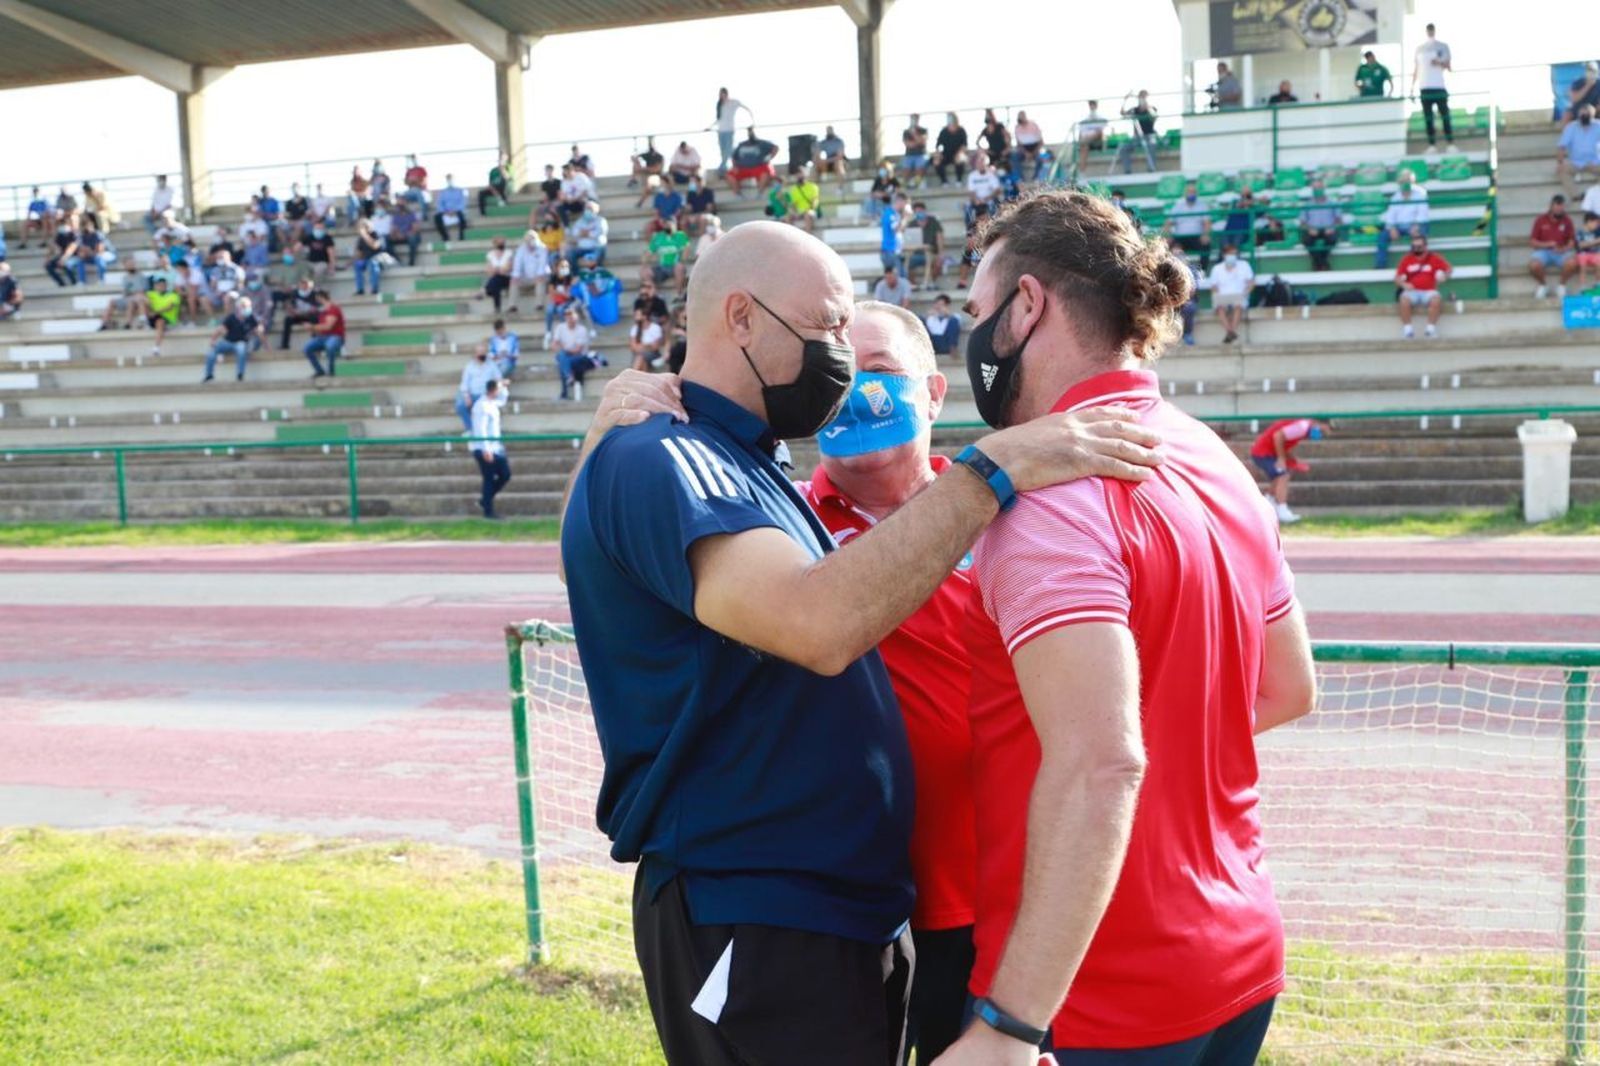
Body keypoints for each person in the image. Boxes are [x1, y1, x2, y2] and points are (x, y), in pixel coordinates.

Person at [557, 218, 1161, 1066]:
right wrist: (995, 468)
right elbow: (817, 623)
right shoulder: (662, 454)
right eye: (830, 326)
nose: (840, 353)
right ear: (742, 317)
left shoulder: (746, 462)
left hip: (845, 909)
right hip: (759, 908)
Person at [942, 188, 1316, 1066]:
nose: (969, 338)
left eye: (976, 311)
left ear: (1026, 306)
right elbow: (1289, 687)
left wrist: (1008, 1028)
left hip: (1097, 993)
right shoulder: (1214, 458)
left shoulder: (1048, 496)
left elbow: (1102, 764)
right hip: (1238, 951)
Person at [1251, 418, 1330, 524]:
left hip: (1266, 452)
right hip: (1263, 453)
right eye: (1323, 430)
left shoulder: (1303, 429)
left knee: (1279, 476)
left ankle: (1267, 502)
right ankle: (1282, 509)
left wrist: (1292, 460)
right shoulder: (1302, 427)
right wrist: (1281, 458)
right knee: (1283, 475)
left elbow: (1284, 443)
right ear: (1317, 423)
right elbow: (1278, 436)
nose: (1321, 434)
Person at [468, 376, 512, 518]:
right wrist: (486, 449)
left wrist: (504, 386)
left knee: (505, 474)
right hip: (485, 448)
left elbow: (503, 400)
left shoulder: (492, 402)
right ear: (493, 390)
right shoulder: (482, 406)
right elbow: (481, 429)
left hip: (495, 447)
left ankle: (485, 501)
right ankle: (488, 511)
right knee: (489, 478)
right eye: (498, 388)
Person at [1395, 234, 1452, 339]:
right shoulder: (1406, 259)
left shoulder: (1434, 258)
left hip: (1429, 291)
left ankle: (1430, 330)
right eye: (1414, 247)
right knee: (1403, 300)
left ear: (1425, 246)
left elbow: (1448, 269)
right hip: (1412, 292)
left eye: (1419, 246)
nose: (1416, 249)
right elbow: (1397, 278)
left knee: (1436, 299)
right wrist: (1404, 284)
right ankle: (1408, 330)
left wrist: (1445, 276)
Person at [1412, 22, 1454, 152]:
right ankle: (1431, 145)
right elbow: (1416, 69)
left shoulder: (1443, 46)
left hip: (1439, 86)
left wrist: (1439, 62)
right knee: (1428, 118)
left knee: (1445, 115)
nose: (1430, 31)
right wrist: (1411, 87)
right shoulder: (1419, 49)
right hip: (1425, 87)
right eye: (1428, 29)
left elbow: (1449, 67)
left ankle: (1450, 143)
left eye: (1432, 29)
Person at [1375, 172, 1430, 269]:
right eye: (1403, 181)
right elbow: (1391, 215)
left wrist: (1416, 225)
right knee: (1382, 236)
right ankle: (1380, 266)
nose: (1406, 184)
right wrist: (1392, 228)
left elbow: (1423, 214)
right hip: (1399, 227)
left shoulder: (1420, 195)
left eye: (1408, 181)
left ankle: (1417, 265)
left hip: (1416, 225)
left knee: (1420, 235)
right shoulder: (1395, 197)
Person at [1529, 193, 1579, 299]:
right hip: (1544, 251)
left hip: (1562, 251)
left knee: (1573, 263)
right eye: (1557, 206)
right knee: (1533, 265)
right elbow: (1532, 242)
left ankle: (1561, 286)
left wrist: (1564, 249)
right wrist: (1548, 244)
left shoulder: (1567, 220)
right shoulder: (1540, 220)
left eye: (1561, 206)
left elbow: (1572, 241)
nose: (1559, 209)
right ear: (1551, 206)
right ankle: (1543, 285)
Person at [204, 296, 264, 383]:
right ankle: (209, 375)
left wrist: (267, 347)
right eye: (245, 306)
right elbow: (220, 330)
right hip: (227, 342)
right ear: (239, 307)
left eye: (249, 306)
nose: (248, 308)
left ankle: (240, 374)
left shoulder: (251, 318)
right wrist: (212, 341)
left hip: (241, 343)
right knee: (211, 352)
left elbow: (259, 332)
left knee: (241, 348)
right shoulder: (231, 317)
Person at [1208, 242, 1254, 344]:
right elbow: (1213, 286)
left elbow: (1251, 282)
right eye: (1230, 254)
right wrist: (1218, 294)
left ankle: (1230, 332)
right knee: (1220, 306)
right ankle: (1231, 332)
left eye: (1234, 254)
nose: (1232, 256)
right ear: (1224, 255)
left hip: (1240, 295)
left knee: (1238, 305)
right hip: (1223, 296)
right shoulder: (1217, 268)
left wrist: (1245, 293)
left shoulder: (1244, 265)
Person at [551, 305, 599, 400]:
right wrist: (563, 349)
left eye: (571, 315)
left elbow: (578, 350)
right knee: (563, 358)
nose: (569, 317)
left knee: (563, 361)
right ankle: (569, 377)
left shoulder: (582, 330)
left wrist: (563, 347)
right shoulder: (560, 327)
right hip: (565, 356)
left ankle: (564, 392)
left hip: (580, 357)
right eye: (567, 315)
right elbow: (553, 345)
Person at [1162, 181, 1212, 272]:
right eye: (1189, 192)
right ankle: (1180, 271)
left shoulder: (1202, 205)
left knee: (1206, 244)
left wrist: (1206, 234)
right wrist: (1167, 235)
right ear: (1185, 193)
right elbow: (1168, 223)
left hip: (1197, 237)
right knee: (1173, 248)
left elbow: (1207, 223)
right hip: (1181, 237)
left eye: (1193, 192)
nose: (1191, 194)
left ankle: (1202, 271)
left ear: (1196, 193)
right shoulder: (1178, 206)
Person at [455, 343, 502, 430]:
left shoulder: (492, 365)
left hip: (486, 395)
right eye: (479, 352)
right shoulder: (469, 366)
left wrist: (494, 392)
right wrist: (467, 396)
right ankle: (471, 430)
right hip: (472, 394)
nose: (482, 354)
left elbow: (499, 379)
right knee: (460, 406)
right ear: (475, 354)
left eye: (483, 352)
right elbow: (465, 383)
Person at [1558, 105, 1600, 202]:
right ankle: (1576, 196)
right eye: (1582, 113)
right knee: (1561, 170)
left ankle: (1597, 195)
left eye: (1587, 113)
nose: (1584, 115)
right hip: (1575, 162)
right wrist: (1560, 162)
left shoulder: (1599, 125)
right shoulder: (1571, 127)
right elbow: (1562, 146)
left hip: (1594, 162)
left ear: (1593, 114)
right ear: (1578, 115)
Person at [1298, 180, 1341, 271]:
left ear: (1323, 188)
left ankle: (1318, 263)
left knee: (1332, 239)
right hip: (1312, 229)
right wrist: (1309, 229)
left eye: (1319, 187)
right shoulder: (1307, 204)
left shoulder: (1333, 203)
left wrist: (1332, 228)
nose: (1317, 190)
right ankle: (1322, 263)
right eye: (1315, 188)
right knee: (1306, 240)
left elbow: (1339, 220)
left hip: (1328, 229)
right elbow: (1302, 222)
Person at [303, 290, 346, 378]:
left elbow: (328, 326)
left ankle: (331, 371)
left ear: (321, 297)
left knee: (330, 346)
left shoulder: (333, 308)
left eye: (317, 298)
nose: (316, 300)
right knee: (307, 348)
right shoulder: (323, 311)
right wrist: (313, 330)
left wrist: (311, 327)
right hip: (323, 337)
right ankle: (320, 371)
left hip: (336, 336)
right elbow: (321, 328)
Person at [726, 127, 780, 195]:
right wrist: (734, 166)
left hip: (759, 167)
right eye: (749, 132)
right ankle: (738, 195)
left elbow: (776, 148)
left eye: (752, 132)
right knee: (730, 175)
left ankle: (759, 194)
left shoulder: (762, 143)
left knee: (766, 173)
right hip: (742, 168)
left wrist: (769, 158)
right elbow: (733, 156)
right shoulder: (742, 144)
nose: (750, 134)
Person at [711, 88, 751, 177]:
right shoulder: (720, 105)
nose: (721, 96)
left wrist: (752, 121)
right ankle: (729, 166)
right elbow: (719, 119)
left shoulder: (734, 102)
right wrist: (710, 127)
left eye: (722, 94)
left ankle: (722, 168)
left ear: (726, 94)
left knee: (728, 150)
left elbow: (746, 108)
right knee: (723, 151)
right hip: (721, 131)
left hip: (729, 130)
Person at [644, 217, 689, 295]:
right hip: (662, 267)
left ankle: (679, 295)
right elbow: (648, 252)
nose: (667, 226)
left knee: (679, 267)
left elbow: (686, 250)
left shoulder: (680, 235)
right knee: (645, 272)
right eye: (666, 224)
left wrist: (682, 261)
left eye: (669, 224)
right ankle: (654, 296)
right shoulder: (658, 237)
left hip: (675, 266)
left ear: (675, 225)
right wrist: (644, 263)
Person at [1116, 91, 1159, 174]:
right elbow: (1122, 113)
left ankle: (1151, 169)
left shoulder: (1151, 108)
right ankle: (1127, 171)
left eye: (1144, 97)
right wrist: (1125, 100)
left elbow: (1154, 116)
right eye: (1141, 97)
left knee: (1151, 146)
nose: (1142, 99)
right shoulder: (1135, 110)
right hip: (1137, 138)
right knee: (1123, 149)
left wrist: (1147, 107)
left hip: (1149, 136)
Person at [909, 199, 947, 290]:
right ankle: (913, 285)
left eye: (921, 211)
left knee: (939, 262)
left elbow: (939, 237)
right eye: (917, 212)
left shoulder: (933, 222)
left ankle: (931, 282)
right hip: (917, 254)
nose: (919, 213)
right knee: (906, 263)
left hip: (932, 253)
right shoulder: (912, 224)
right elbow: (909, 241)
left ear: (925, 211)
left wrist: (941, 253)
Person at [99, 256, 145, 331]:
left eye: (131, 263)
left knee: (131, 302)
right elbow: (125, 292)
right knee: (112, 301)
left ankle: (128, 324)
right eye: (128, 264)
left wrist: (131, 293)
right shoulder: (125, 278)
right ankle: (104, 323)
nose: (130, 265)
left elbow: (141, 292)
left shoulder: (140, 276)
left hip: (137, 299)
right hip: (127, 297)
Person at [511, 229, 551, 313]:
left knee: (541, 279)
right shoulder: (521, 249)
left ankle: (539, 305)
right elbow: (517, 266)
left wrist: (539, 275)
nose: (530, 242)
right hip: (527, 277)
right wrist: (516, 277)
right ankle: (512, 306)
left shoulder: (542, 248)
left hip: (541, 275)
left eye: (532, 239)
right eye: (528, 240)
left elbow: (542, 265)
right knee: (513, 281)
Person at [144, 277, 181, 356]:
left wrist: (156, 312)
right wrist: (147, 300)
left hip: (167, 319)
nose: (161, 287)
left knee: (160, 322)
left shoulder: (173, 295)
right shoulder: (151, 294)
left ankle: (156, 347)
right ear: (155, 286)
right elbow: (142, 298)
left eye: (163, 285)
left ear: (166, 286)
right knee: (142, 301)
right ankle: (143, 320)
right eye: (159, 285)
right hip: (153, 316)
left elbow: (170, 307)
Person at [934, 112, 970, 186]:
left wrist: (959, 153)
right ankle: (944, 182)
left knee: (960, 159)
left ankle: (958, 181)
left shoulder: (961, 130)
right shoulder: (943, 131)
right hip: (946, 154)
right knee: (936, 161)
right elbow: (938, 145)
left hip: (959, 154)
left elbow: (965, 145)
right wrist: (938, 153)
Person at [352, 219, 384, 296]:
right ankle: (360, 289)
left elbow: (375, 246)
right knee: (357, 265)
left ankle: (374, 289)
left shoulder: (376, 234)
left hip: (377, 259)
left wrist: (366, 236)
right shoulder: (361, 238)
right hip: (366, 260)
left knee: (373, 264)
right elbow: (359, 253)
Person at [1010, 111, 1046, 180]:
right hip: (1024, 150)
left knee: (1040, 160)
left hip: (1035, 149)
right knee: (1014, 157)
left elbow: (1041, 142)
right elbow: (1019, 144)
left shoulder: (1034, 125)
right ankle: (1021, 179)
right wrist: (1026, 153)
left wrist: (1033, 153)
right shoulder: (1017, 127)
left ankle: (1035, 178)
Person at [483, 236, 515, 313]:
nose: (501, 244)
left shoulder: (509, 253)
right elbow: (488, 269)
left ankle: (485, 290)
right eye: (499, 242)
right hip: (496, 278)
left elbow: (509, 267)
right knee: (495, 284)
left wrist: (496, 269)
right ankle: (497, 307)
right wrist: (499, 269)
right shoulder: (490, 254)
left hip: (506, 278)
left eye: (502, 242)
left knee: (494, 282)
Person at [1075, 101, 1108, 173]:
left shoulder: (1101, 118)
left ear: (1096, 106)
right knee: (1084, 148)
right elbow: (1082, 131)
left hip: (1097, 142)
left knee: (1097, 133)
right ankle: (1082, 171)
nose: (1092, 106)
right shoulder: (1085, 119)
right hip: (1087, 142)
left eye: (1093, 105)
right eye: (1090, 105)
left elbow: (1100, 131)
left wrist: (1089, 136)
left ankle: (1083, 143)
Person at [880, 191, 908, 275]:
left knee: (901, 276)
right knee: (899, 277)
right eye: (904, 203)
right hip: (890, 251)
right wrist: (906, 217)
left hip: (894, 250)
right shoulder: (890, 214)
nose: (905, 206)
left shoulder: (895, 214)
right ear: (899, 201)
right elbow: (897, 229)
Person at [815, 125, 850, 191]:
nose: (829, 132)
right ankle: (816, 187)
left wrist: (826, 160)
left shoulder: (839, 141)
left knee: (838, 163)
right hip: (828, 162)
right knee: (817, 164)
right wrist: (819, 159)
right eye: (827, 131)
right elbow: (817, 155)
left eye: (830, 130)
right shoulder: (823, 142)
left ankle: (840, 188)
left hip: (839, 162)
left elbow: (839, 156)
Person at [435, 175, 468, 240]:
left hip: (457, 212)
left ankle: (462, 237)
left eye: (451, 179)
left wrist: (455, 211)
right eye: (448, 179)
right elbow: (440, 204)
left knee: (462, 216)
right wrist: (445, 212)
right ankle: (445, 237)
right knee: (437, 217)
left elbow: (462, 203)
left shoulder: (460, 191)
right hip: (446, 213)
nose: (450, 181)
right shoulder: (443, 192)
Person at [389, 201, 421, 267]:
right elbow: (393, 229)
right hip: (400, 237)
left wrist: (405, 234)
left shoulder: (411, 215)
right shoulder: (396, 217)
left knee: (412, 238)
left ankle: (411, 261)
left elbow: (415, 229)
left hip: (409, 236)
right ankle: (397, 260)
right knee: (387, 240)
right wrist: (397, 235)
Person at [902, 114, 930, 188]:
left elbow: (923, 141)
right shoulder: (906, 131)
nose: (913, 120)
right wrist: (917, 141)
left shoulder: (924, 130)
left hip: (921, 154)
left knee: (919, 166)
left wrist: (914, 134)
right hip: (909, 155)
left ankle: (916, 183)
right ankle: (905, 184)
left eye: (915, 119)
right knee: (906, 168)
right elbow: (908, 144)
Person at [1575, 212, 1600, 290]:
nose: (1597, 225)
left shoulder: (1596, 232)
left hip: (1594, 254)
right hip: (1582, 254)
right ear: (1589, 222)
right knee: (1583, 265)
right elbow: (1580, 245)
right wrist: (1595, 241)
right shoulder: (1580, 232)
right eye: (1596, 223)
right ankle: (1583, 285)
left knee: (1599, 260)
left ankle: (1598, 283)